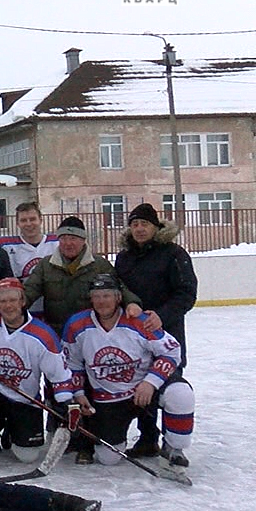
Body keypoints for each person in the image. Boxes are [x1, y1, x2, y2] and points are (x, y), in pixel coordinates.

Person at [62, 274, 195, 471]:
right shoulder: (76, 324)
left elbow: (172, 350)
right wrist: (79, 394)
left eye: (107, 295)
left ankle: (174, 450)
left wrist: (151, 382)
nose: (101, 301)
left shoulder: (139, 321)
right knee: (108, 457)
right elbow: (71, 363)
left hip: (144, 390)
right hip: (108, 398)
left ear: (118, 298)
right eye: (96, 296)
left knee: (180, 393)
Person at [0, 278, 74, 463]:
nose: (8, 305)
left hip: (24, 397)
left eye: (12, 300)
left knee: (27, 456)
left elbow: (59, 375)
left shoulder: (43, 335)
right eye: (2, 301)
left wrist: (66, 403)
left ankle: (12, 430)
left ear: (23, 301)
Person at [115, 202, 198, 458]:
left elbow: (187, 293)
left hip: (167, 333)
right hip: (134, 336)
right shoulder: (124, 257)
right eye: (135, 224)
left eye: (145, 224)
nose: (139, 229)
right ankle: (147, 437)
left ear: (155, 226)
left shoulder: (174, 253)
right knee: (141, 383)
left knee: (170, 385)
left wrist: (161, 316)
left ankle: (172, 442)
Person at [22, 216, 146, 336]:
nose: (68, 243)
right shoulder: (46, 265)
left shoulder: (99, 265)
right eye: (63, 238)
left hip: (90, 332)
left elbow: (118, 288)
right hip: (57, 332)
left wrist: (131, 303)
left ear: (83, 240)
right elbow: (30, 290)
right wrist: (14, 306)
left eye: (73, 238)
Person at [0, 202, 59, 314]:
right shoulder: (5, 245)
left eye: (32, 219)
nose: (29, 224)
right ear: (17, 223)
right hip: (20, 311)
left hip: (52, 309)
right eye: (23, 220)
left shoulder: (57, 243)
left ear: (40, 219)